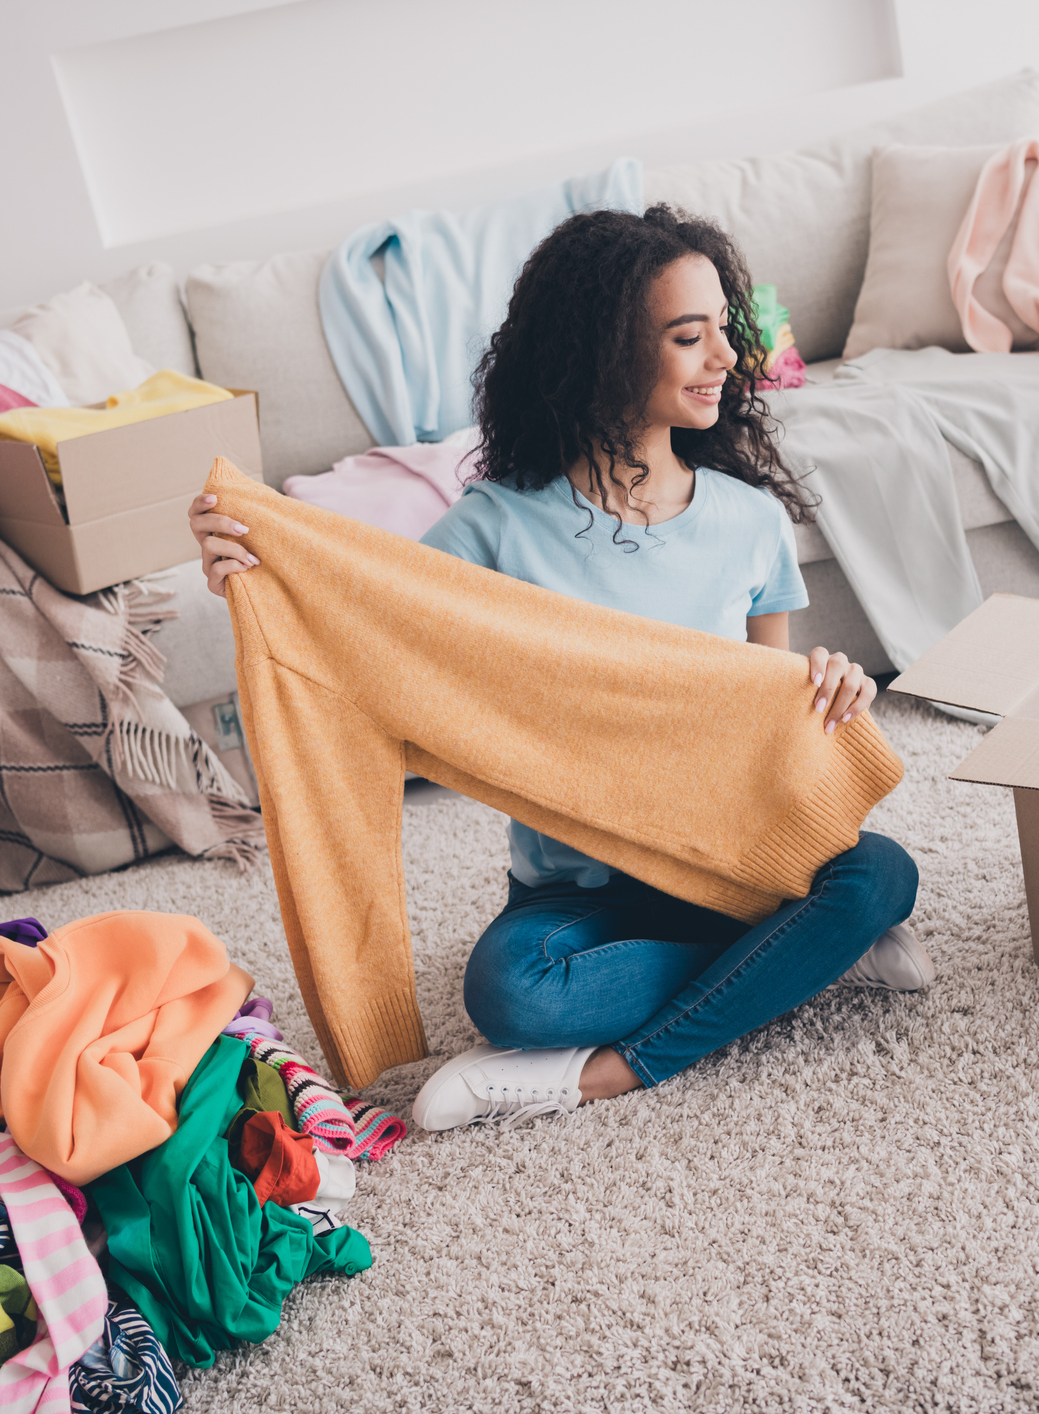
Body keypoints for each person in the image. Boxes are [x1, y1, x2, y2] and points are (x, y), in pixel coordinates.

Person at [189, 204, 927, 1133]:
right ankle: (799, 958)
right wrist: (251, 566)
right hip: (578, 894)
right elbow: (362, 633)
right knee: (512, 995)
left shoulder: (748, 520)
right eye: (686, 337)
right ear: (604, 351)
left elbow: (764, 724)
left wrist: (830, 691)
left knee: (883, 873)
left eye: (723, 334)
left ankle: (605, 1073)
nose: (723, 361)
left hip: (732, 863)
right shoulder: (491, 528)